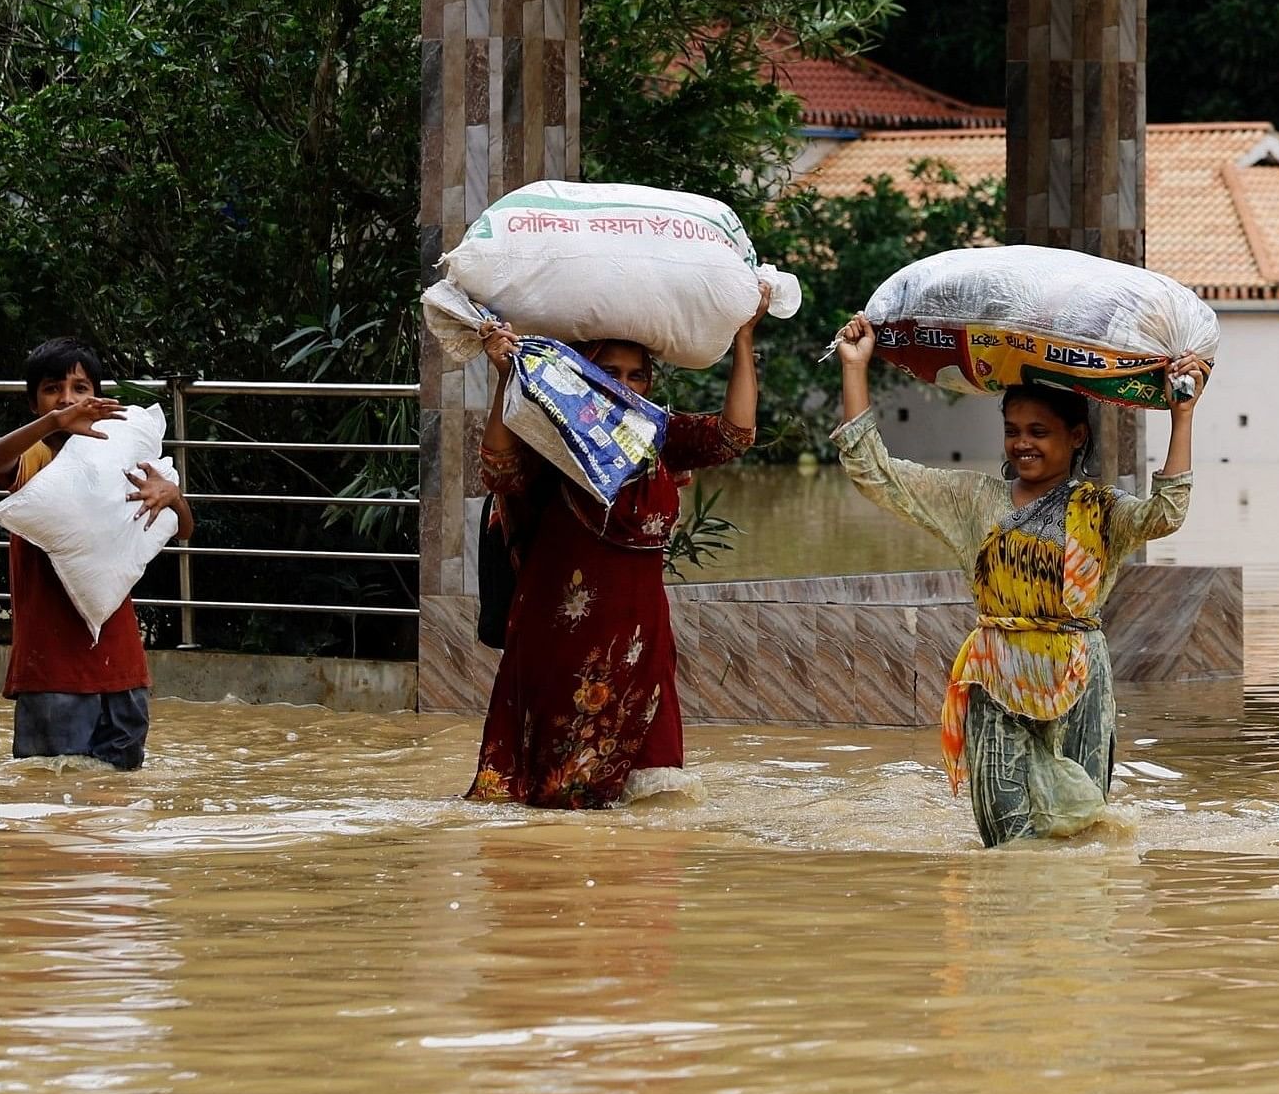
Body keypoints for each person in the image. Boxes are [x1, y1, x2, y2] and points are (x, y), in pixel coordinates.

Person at [826, 316, 1203, 847]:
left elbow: (1167, 514)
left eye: (1038, 432)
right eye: (1012, 432)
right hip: (996, 673)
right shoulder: (974, 501)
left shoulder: (1101, 510)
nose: (1022, 444)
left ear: (1076, 437)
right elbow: (875, 472)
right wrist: (855, 367)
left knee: (1079, 831)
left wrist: (1181, 414)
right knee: (1008, 844)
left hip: (1078, 678)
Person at [466, 318, 759, 808]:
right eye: (608, 371)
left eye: (636, 376)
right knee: (550, 800)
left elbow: (735, 436)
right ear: (582, 373)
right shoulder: (554, 441)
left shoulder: (656, 435)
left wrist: (744, 337)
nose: (622, 387)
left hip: (642, 647)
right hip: (562, 647)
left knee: (651, 804)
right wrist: (505, 377)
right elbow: (497, 466)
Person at [0, 338, 194, 771]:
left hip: (123, 669)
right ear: (33, 402)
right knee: (48, 798)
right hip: (52, 671)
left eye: (80, 388)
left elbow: (185, 530)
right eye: (52, 389)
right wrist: (54, 423)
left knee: (117, 802)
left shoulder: (117, 454)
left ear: (97, 395)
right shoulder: (34, 458)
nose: (68, 399)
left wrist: (173, 496)